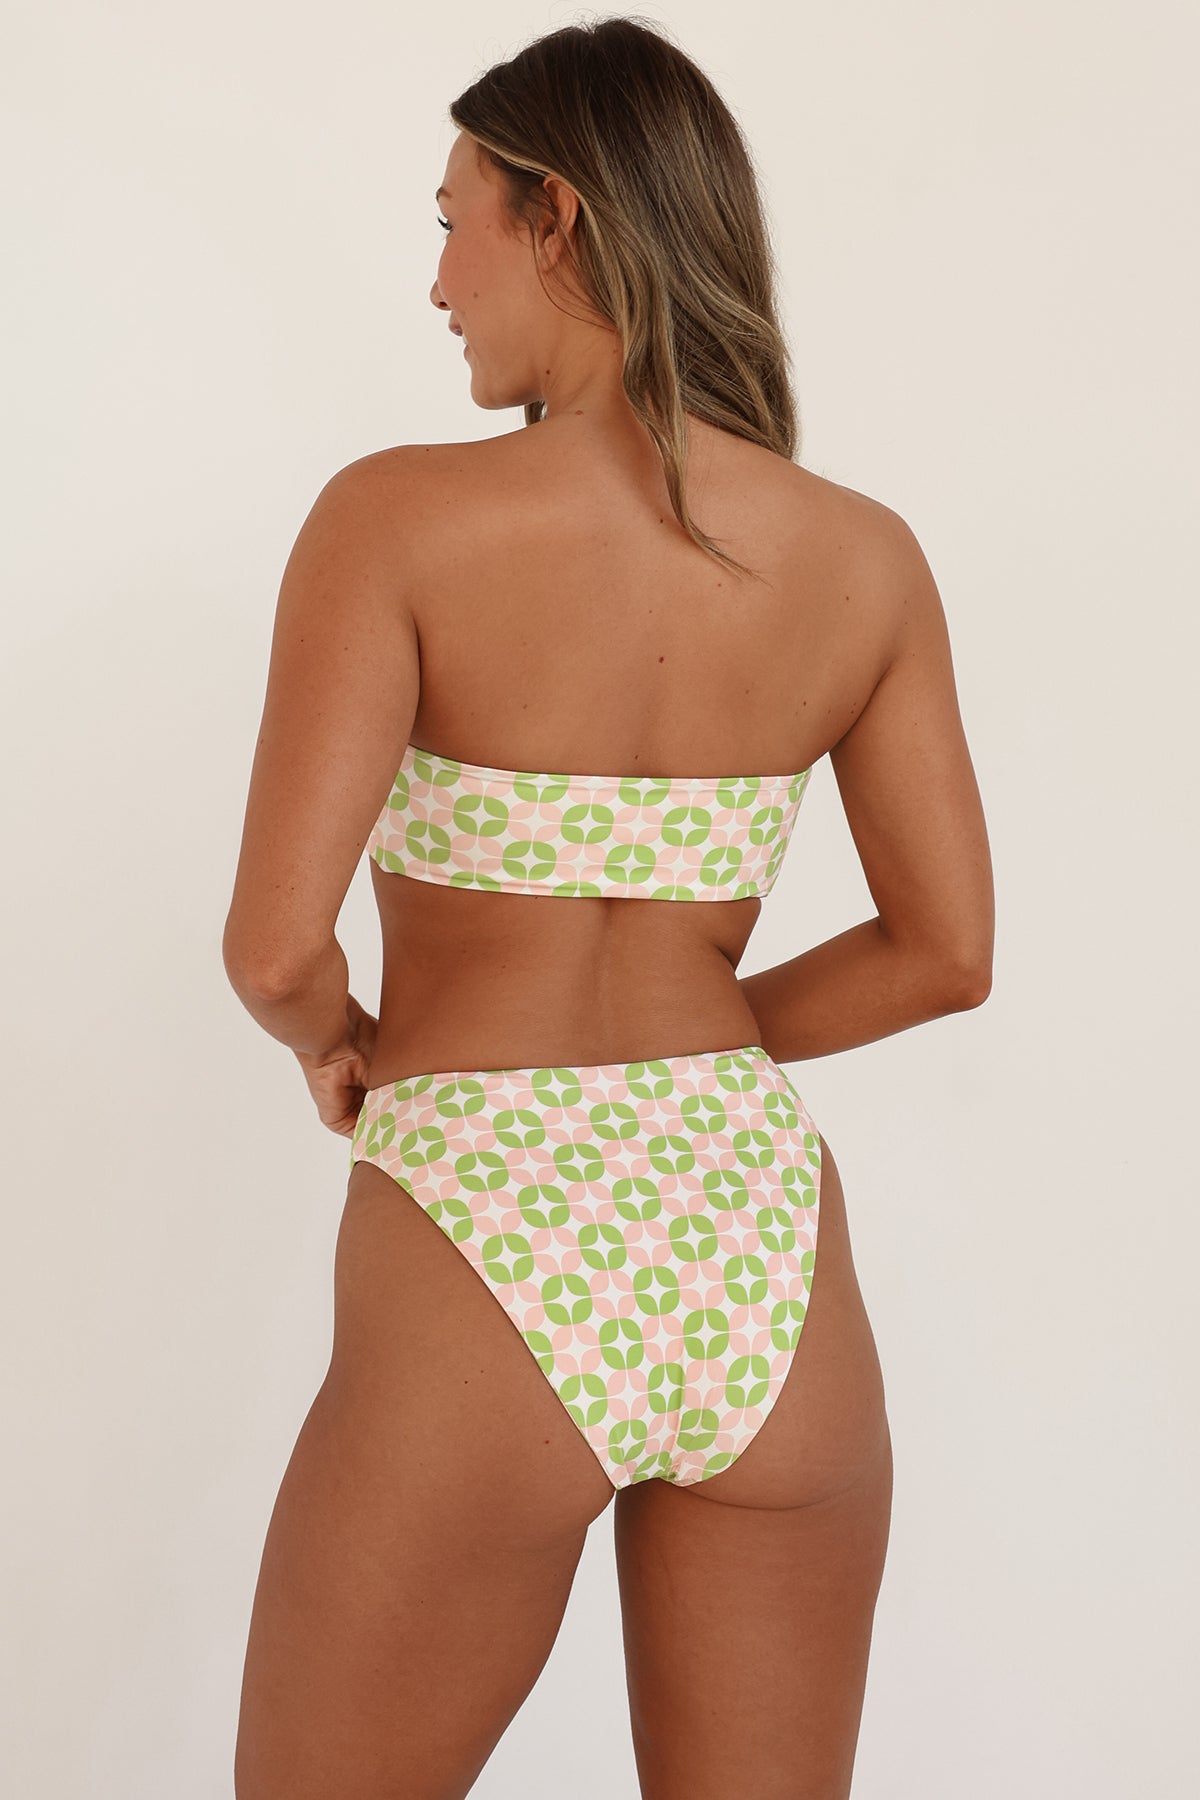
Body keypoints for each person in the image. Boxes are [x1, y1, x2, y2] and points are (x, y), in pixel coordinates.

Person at [221, 16, 993, 1799]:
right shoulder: (862, 556)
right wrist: (692, 1041)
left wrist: (339, 1041)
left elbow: (272, 949)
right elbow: (947, 953)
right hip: (753, 1228)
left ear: (556, 216)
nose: (437, 283)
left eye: (454, 224)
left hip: (482, 1208)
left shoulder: (395, 522)